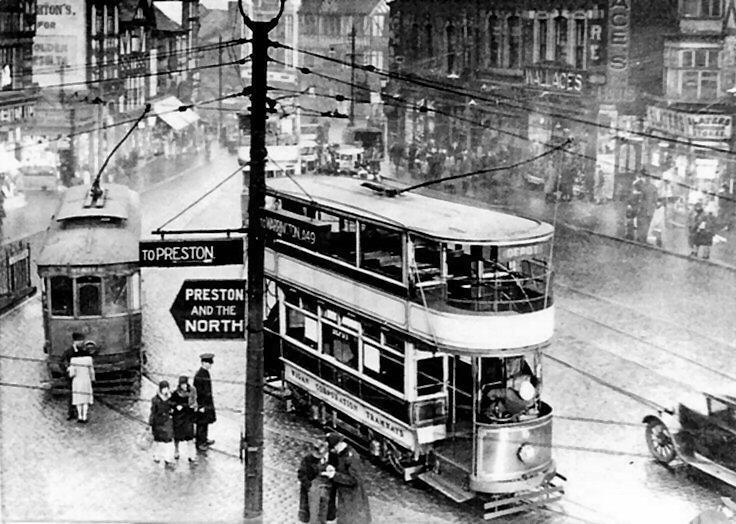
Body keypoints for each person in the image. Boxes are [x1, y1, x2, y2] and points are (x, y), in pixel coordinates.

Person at [322, 433, 371, 524]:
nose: (331, 451)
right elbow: (334, 461)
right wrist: (330, 466)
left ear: (337, 446)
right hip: (344, 495)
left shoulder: (351, 457)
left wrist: (334, 475)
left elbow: (354, 480)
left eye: (332, 449)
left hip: (353, 497)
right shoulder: (340, 453)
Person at [298, 440, 331, 524]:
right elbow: (301, 475)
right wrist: (310, 487)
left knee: (322, 514)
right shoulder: (307, 460)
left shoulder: (326, 459)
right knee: (313, 515)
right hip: (311, 493)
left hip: (324, 492)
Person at [170, 375, 198, 464]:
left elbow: (194, 402)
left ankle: (191, 455)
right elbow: (171, 402)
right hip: (178, 418)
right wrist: (175, 406)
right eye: (182, 384)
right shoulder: (175, 393)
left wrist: (194, 407)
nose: (184, 386)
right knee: (177, 437)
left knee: (190, 436)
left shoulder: (191, 392)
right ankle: (176, 451)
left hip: (188, 417)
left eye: (185, 384)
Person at [193, 353, 217, 451]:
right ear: (203, 363)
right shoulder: (199, 375)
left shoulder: (205, 373)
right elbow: (198, 392)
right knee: (201, 423)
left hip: (207, 402)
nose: (210, 365)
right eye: (208, 363)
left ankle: (204, 439)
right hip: (202, 403)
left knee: (205, 422)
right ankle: (200, 443)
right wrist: (200, 405)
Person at [149, 380, 175, 466]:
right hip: (158, 423)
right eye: (164, 389)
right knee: (158, 441)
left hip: (167, 422)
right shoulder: (155, 400)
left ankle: (167, 459)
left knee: (168, 441)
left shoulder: (170, 399)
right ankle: (156, 456)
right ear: (160, 389)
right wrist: (150, 424)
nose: (165, 391)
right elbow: (152, 412)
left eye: (167, 389)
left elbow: (173, 406)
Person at [61, 332, 86, 420]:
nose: (81, 343)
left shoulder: (83, 351)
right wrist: (67, 371)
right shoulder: (68, 352)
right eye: (80, 341)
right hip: (72, 376)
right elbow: (61, 362)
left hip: (81, 376)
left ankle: (80, 413)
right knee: (72, 394)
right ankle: (71, 412)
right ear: (75, 342)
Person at [67, 344, 95, 423]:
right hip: (86, 381)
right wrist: (93, 379)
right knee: (85, 400)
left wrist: (69, 370)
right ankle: (85, 417)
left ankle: (80, 417)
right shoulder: (89, 359)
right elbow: (92, 372)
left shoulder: (73, 360)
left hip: (77, 381)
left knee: (78, 400)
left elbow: (72, 374)